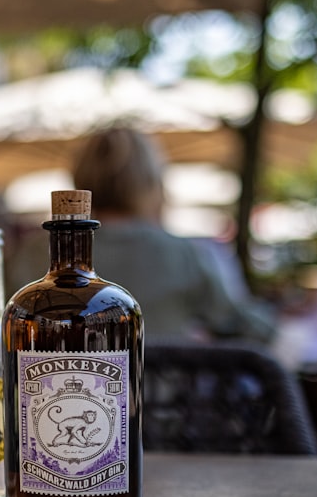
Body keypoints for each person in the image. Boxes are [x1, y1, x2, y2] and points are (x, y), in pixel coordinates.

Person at [67, 123, 276, 344]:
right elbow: (248, 326)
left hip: (58, 377)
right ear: (150, 181)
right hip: (162, 378)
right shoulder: (184, 253)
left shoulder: (40, 252)